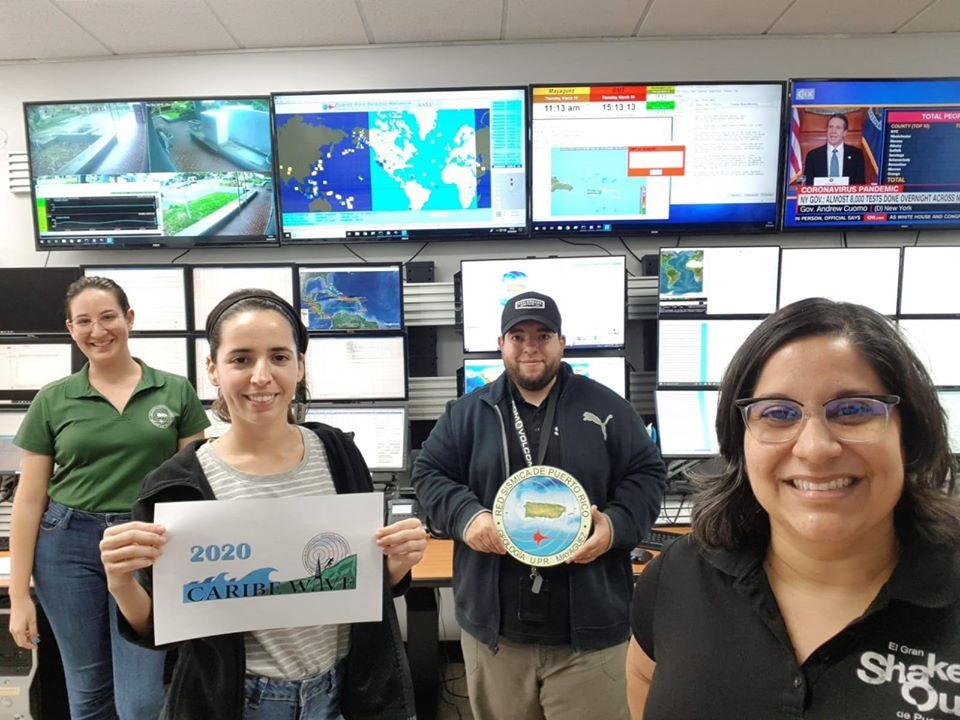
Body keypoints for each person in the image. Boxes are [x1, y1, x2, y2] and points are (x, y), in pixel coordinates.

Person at [99, 289, 426, 720]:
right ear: (213, 368)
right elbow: (162, 629)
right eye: (241, 359)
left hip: (342, 693)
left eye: (278, 356)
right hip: (238, 701)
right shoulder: (175, 487)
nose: (261, 376)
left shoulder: (338, 453)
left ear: (300, 365)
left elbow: (364, 585)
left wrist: (400, 561)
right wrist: (121, 583)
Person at [627, 297, 960, 720]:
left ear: (909, 434)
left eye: (854, 409)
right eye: (779, 413)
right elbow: (642, 680)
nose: (815, 449)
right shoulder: (679, 575)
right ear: (740, 443)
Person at [413, 290, 666, 720]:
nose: (530, 347)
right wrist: (466, 516)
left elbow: (648, 476)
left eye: (542, 335)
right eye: (518, 336)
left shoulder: (608, 408)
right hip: (496, 638)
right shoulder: (468, 413)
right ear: (501, 345)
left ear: (562, 343)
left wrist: (617, 527)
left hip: (590, 635)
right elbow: (428, 475)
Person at [9, 275, 210, 720]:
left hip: (146, 542)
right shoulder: (53, 399)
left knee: (140, 701)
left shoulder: (174, 390)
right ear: (70, 329)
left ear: (129, 319)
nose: (97, 331)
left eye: (107, 317)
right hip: (66, 544)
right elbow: (28, 499)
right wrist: (21, 595)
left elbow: (192, 489)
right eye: (84, 321)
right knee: (88, 690)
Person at [802, 112, 866, 185]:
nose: (833, 131)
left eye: (838, 127)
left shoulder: (856, 155)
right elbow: (808, 186)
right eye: (831, 127)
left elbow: (860, 185)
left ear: (844, 132)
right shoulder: (813, 156)